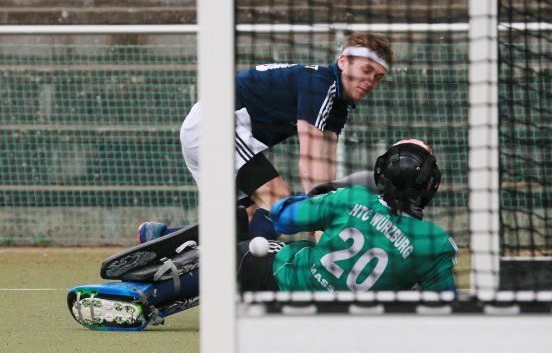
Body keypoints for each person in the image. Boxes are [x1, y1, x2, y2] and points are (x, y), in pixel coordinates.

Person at [68, 139, 458, 331]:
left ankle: (151, 293)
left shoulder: (350, 200)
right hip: (340, 325)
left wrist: (321, 197)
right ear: (431, 186)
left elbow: (284, 216)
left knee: (241, 254)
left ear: (381, 175)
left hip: (284, 279)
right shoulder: (436, 245)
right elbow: (444, 309)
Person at [138, 32, 394, 243]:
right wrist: (322, 222)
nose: (370, 81)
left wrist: (324, 214)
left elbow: (325, 168)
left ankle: (161, 238)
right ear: (343, 62)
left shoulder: (339, 105)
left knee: (247, 221)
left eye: (378, 77)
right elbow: (310, 160)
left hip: (214, 130)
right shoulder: (320, 83)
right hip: (213, 126)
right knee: (281, 202)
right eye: (366, 69)